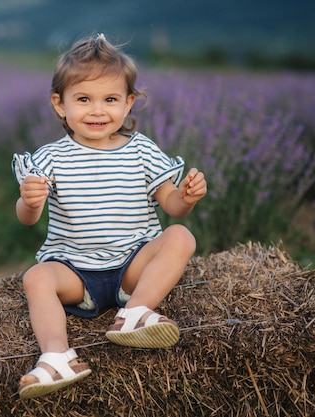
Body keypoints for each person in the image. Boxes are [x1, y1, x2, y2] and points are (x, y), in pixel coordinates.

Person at [11, 33, 207, 399]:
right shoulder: (50, 158)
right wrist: (30, 200)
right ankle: (57, 356)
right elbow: (26, 219)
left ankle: (134, 313)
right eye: (83, 99)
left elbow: (171, 205)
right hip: (75, 273)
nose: (98, 110)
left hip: (131, 268)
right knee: (36, 277)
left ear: (129, 103)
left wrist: (187, 196)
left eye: (110, 100)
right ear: (59, 104)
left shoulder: (142, 151)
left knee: (181, 235)